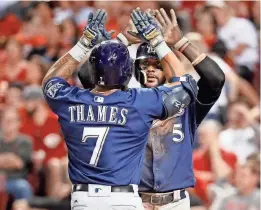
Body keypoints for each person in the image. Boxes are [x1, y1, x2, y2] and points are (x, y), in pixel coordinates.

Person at [42, 9, 198, 210]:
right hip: (122, 200)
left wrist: (84, 44)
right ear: (127, 72)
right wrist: (156, 40)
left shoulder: (71, 100)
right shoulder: (139, 102)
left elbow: (50, 81)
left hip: (83, 199)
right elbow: (183, 84)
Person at [115, 8, 224, 209]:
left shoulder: (187, 103)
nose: (150, 69)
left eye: (157, 64)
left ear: (167, 68)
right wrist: (120, 40)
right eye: (144, 64)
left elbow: (215, 79)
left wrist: (182, 44)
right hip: (134, 201)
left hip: (175, 203)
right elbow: (87, 77)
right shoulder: (125, 101)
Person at [0, 108, 33, 210]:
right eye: (5, 121)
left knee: (23, 187)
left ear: (18, 123)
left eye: (11, 121)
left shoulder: (25, 142)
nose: (7, 124)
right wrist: (10, 158)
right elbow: (14, 161)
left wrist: (3, 159)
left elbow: (19, 163)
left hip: (15, 180)